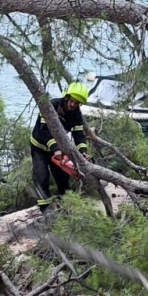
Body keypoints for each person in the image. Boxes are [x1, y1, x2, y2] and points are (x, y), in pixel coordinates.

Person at [30, 82, 92, 212]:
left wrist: (83, 151)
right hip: (39, 148)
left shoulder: (76, 115)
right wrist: (56, 149)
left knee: (63, 178)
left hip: (57, 150)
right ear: (66, 97)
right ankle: (46, 211)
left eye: (77, 103)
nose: (73, 105)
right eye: (72, 101)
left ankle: (66, 207)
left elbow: (78, 135)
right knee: (41, 176)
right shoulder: (50, 106)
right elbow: (44, 131)